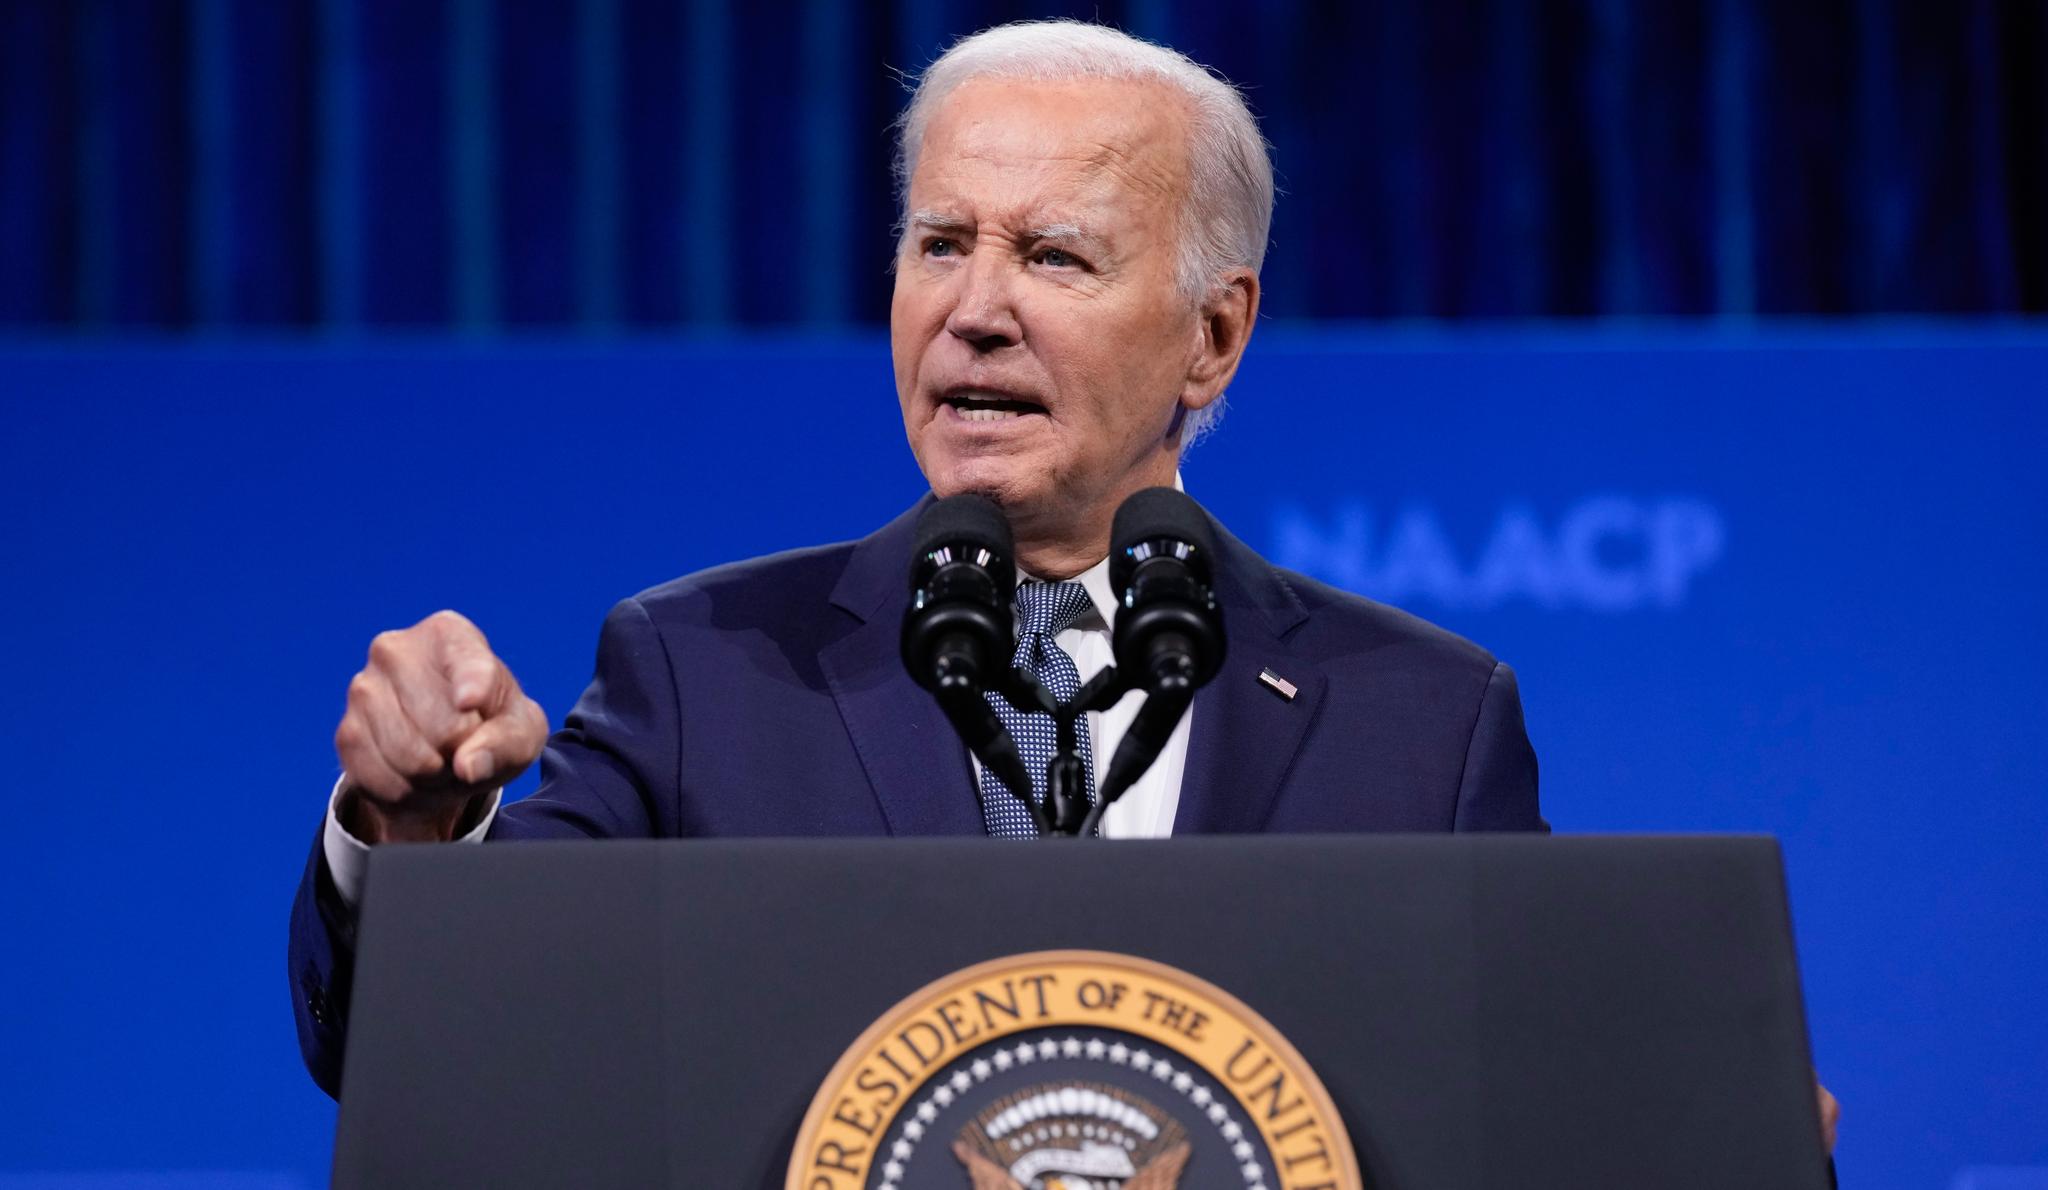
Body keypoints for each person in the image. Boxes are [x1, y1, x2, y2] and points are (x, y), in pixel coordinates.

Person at [287, 18, 1837, 1158]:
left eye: (1056, 257)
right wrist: (417, 840)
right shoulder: (702, 668)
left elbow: (1529, 1121)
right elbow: (428, 1063)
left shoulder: (1421, 718)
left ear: (1213, 338)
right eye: (940, 241)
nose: (973, 311)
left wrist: (1715, 1127)